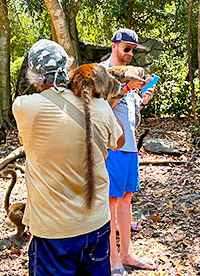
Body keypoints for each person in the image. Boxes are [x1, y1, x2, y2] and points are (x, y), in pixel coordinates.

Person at [13, 39, 125, 276]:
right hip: (97, 222)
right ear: (68, 68)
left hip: (54, 231)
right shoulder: (100, 105)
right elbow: (120, 141)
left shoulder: (25, 107)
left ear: (33, 75)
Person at [100, 29, 157, 275]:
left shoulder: (131, 74)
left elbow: (129, 114)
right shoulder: (102, 72)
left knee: (125, 199)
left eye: (133, 50)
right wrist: (123, 90)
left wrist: (141, 99)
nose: (130, 53)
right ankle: (112, 258)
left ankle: (127, 253)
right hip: (111, 147)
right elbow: (100, 107)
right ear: (114, 46)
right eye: (126, 48)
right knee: (111, 202)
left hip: (130, 146)